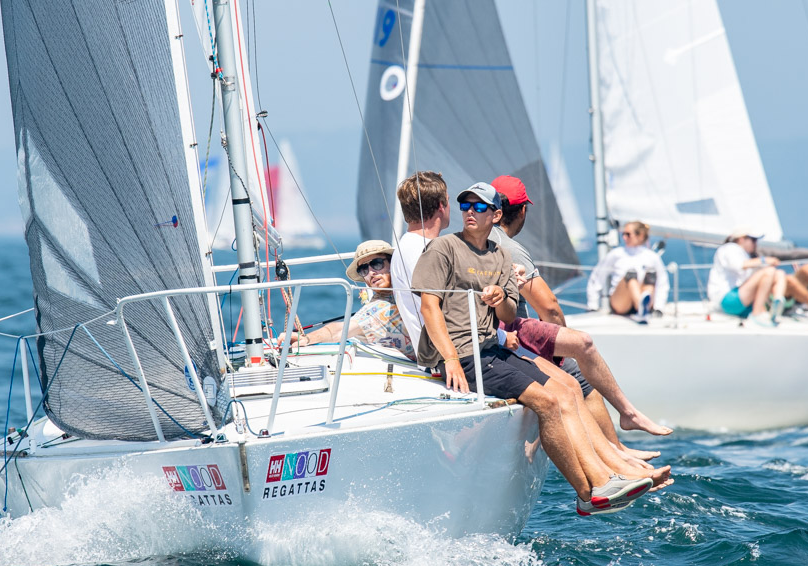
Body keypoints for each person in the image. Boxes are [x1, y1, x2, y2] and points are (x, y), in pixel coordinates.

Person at [411, 181, 671, 515]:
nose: (470, 213)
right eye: (465, 207)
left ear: (496, 214)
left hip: (492, 346)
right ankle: (589, 490)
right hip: (464, 353)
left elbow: (505, 314)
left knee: (568, 387)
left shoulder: (500, 255)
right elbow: (429, 307)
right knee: (548, 402)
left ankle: (606, 475)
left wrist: (500, 298)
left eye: (478, 207)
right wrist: (450, 360)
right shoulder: (444, 248)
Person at [491, 176, 670, 440]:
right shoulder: (511, 249)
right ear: (523, 211)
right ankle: (617, 449)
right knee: (578, 372)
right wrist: (559, 346)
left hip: (497, 338)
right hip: (510, 339)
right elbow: (549, 308)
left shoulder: (475, 241)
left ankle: (622, 433)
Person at [286, 240, 414, 358]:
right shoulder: (376, 308)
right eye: (363, 269)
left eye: (377, 263)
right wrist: (307, 339)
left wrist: (307, 338)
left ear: (392, 263)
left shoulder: (412, 287)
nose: (370, 272)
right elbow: (341, 329)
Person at [390, 171, 451, 352]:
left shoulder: (407, 245)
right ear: (441, 205)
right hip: (446, 355)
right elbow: (450, 310)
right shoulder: (423, 250)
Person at [586, 221, 669, 319]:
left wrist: (658, 307)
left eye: (628, 234)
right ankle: (641, 307)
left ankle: (642, 308)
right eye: (623, 234)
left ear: (641, 236)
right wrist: (593, 305)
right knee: (631, 275)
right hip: (621, 304)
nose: (624, 237)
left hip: (647, 303)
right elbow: (597, 277)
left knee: (650, 275)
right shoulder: (616, 254)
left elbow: (662, 283)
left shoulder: (652, 257)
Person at [706, 227, 787, 327]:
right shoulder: (730, 248)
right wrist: (763, 260)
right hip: (726, 300)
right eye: (753, 240)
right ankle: (757, 313)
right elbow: (739, 265)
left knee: (779, 273)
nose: (755, 243)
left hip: (740, 300)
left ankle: (778, 301)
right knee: (769, 272)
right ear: (741, 239)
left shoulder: (743, 254)